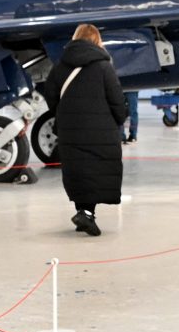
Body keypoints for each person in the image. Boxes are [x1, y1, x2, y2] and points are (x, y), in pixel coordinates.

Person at [45, 23, 125, 236]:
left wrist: (63, 114)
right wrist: (120, 119)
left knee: (78, 171)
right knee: (96, 170)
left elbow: (50, 94)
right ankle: (87, 214)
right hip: (101, 130)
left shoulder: (61, 65)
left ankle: (84, 212)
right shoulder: (103, 66)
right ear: (97, 40)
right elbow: (116, 98)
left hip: (70, 130)